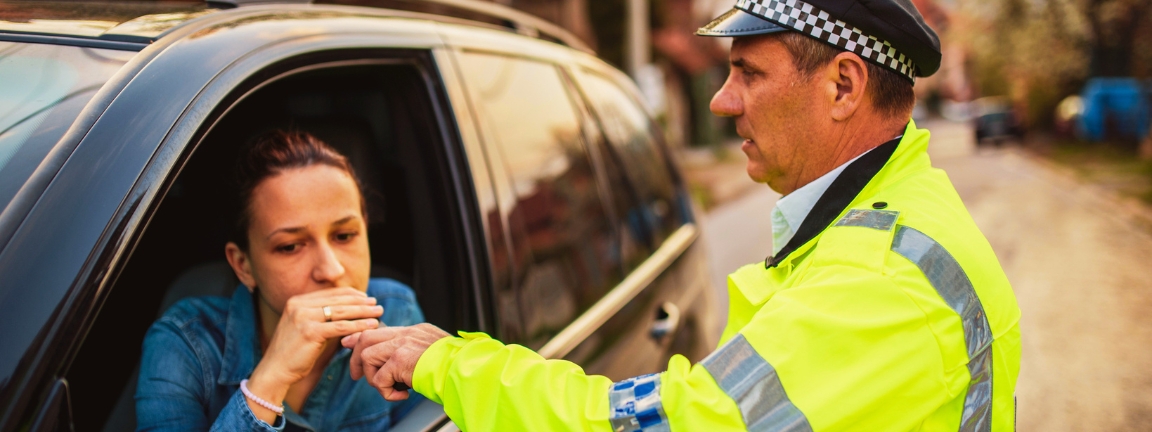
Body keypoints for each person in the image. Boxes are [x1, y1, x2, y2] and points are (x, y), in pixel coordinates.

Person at [343, 0, 1022, 429]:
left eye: (749, 73)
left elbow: (674, 424)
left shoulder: (882, 280)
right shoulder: (894, 212)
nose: (722, 102)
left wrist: (448, 363)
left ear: (843, 84)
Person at [136, 131, 424, 431]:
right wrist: (270, 379)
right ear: (242, 264)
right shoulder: (186, 345)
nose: (331, 269)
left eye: (344, 236)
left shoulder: (396, 312)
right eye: (290, 247)